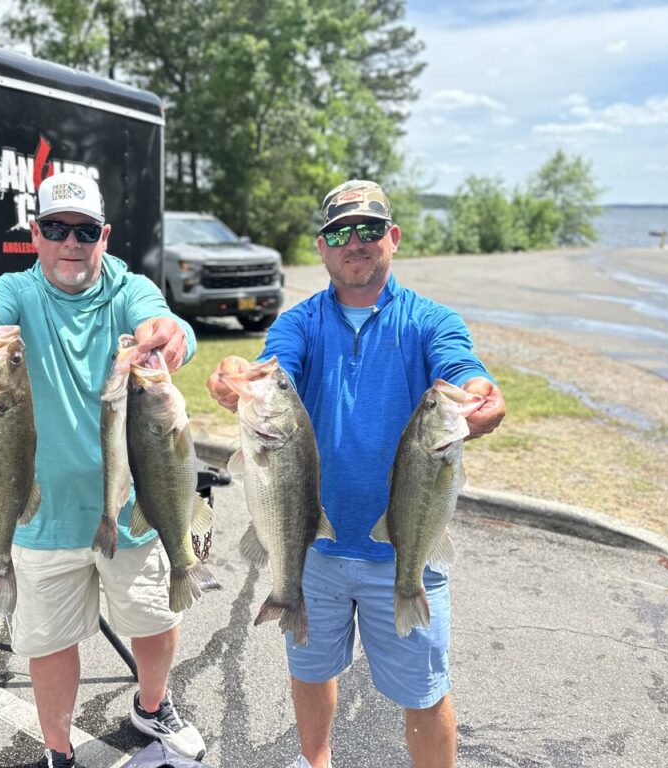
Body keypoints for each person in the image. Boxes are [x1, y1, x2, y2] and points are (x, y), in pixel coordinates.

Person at [207, 180, 506, 768]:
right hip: (312, 546)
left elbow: (461, 366)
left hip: (404, 548)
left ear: (393, 237)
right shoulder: (300, 322)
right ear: (322, 247)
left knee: (423, 692)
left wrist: (478, 391)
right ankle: (315, 762)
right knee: (311, 670)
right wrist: (239, 374)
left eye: (369, 229)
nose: (355, 243)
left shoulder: (430, 320)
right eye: (340, 233)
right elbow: (274, 366)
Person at [0, 172, 206, 768]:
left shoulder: (127, 289)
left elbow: (163, 322)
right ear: (35, 234)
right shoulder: (14, 291)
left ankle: (152, 707)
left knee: (154, 621)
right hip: (39, 514)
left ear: (104, 236)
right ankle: (58, 751)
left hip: (129, 509)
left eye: (84, 231)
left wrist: (173, 336)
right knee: (50, 644)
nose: (70, 243)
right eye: (55, 229)